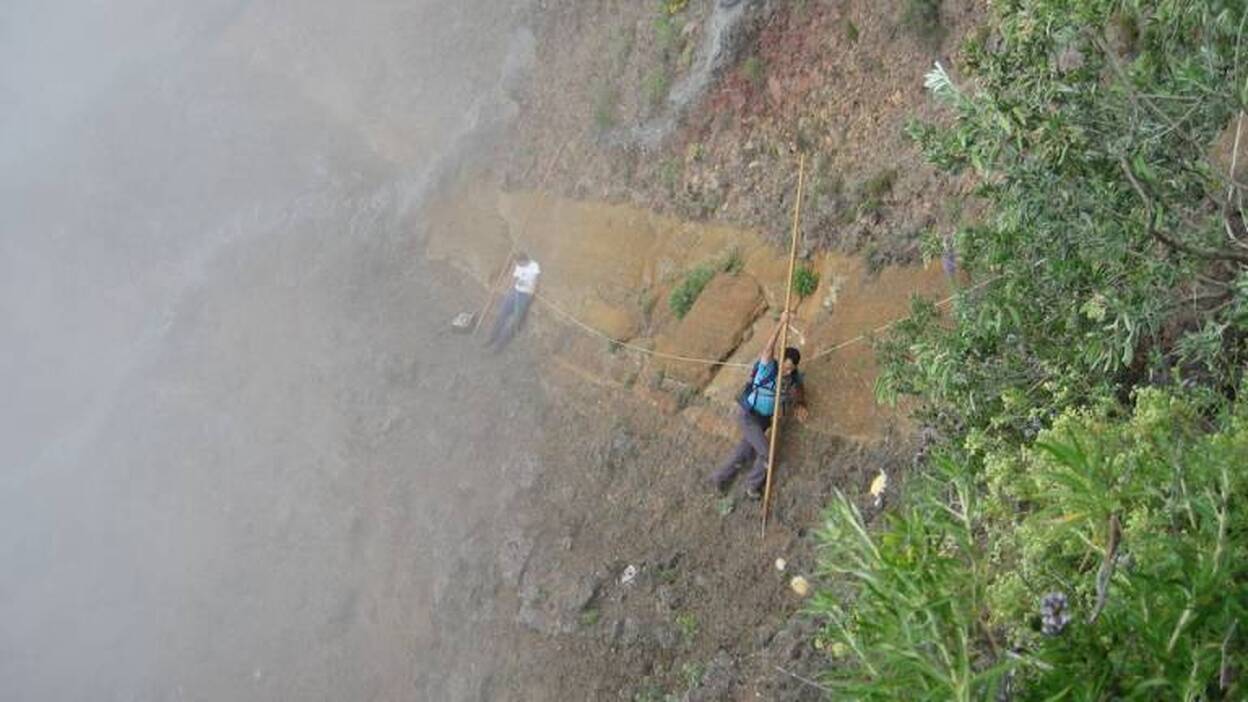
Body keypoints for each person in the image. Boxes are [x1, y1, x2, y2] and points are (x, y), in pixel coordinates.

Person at [711, 311, 808, 499]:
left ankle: (718, 478)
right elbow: (767, 349)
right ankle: (752, 487)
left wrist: (801, 403)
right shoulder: (768, 368)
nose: (786, 371)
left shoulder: (791, 380)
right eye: (785, 366)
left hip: (763, 421)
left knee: (743, 451)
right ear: (780, 361)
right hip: (749, 417)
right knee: (766, 453)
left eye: (790, 369)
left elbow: (800, 388)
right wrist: (781, 324)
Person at [484, 251, 541, 351]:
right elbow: (515, 278)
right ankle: (491, 337)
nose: (518, 265)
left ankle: (498, 346)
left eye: (519, 263)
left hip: (525, 295)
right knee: (501, 315)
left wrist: (531, 295)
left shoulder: (534, 266)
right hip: (514, 292)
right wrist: (508, 288)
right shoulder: (519, 266)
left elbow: (536, 281)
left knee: (513, 321)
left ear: (524, 260)